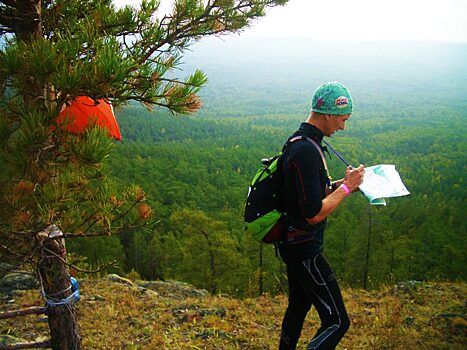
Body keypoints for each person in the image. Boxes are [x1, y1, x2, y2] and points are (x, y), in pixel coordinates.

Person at [278, 81, 365, 350]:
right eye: (342, 119)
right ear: (327, 114)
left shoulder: (305, 142)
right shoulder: (305, 150)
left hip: (294, 244)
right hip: (304, 249)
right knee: (337, 321)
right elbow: (313, 213)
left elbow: (311, 194)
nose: (343, 126)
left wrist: (343, 183)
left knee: (299, 305)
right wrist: (348, 188)